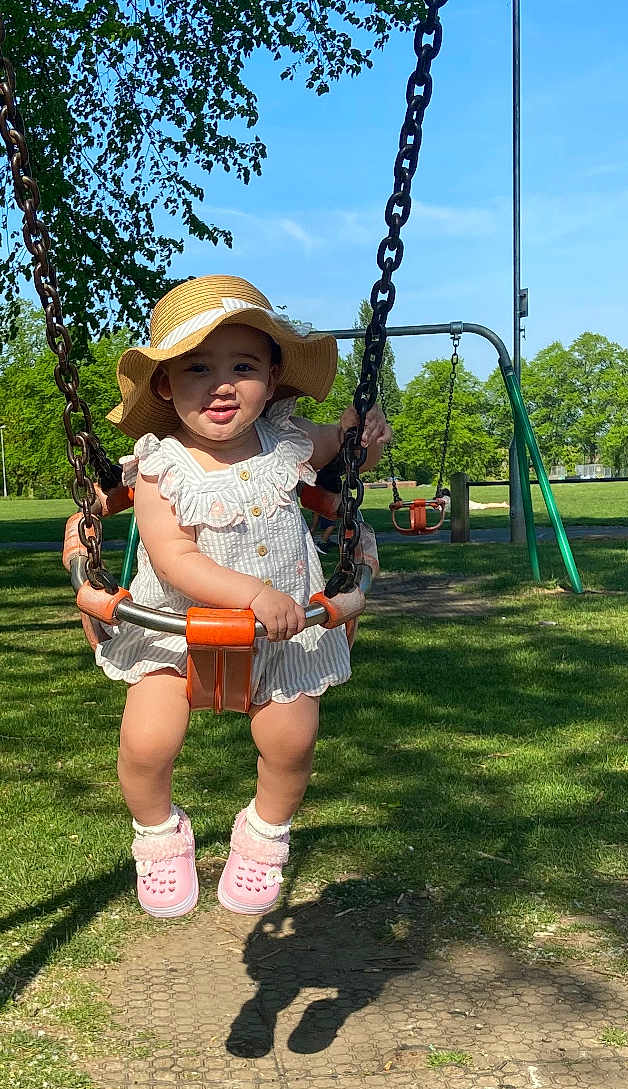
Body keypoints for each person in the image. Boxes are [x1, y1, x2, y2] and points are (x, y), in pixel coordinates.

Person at [98, 275, 389, 919]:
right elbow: (175, 560)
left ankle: (263, 835)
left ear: (273, 377)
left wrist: (358, 434)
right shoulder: (159, 466)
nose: (221, 384)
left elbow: (344, 455)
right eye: (198, 367)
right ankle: (157, 834)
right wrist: (252, 592)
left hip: (283, 634)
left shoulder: (286, 441)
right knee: (146, 746)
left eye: (243, 366)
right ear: (167, 384)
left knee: (292, 744)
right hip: (172, 634)